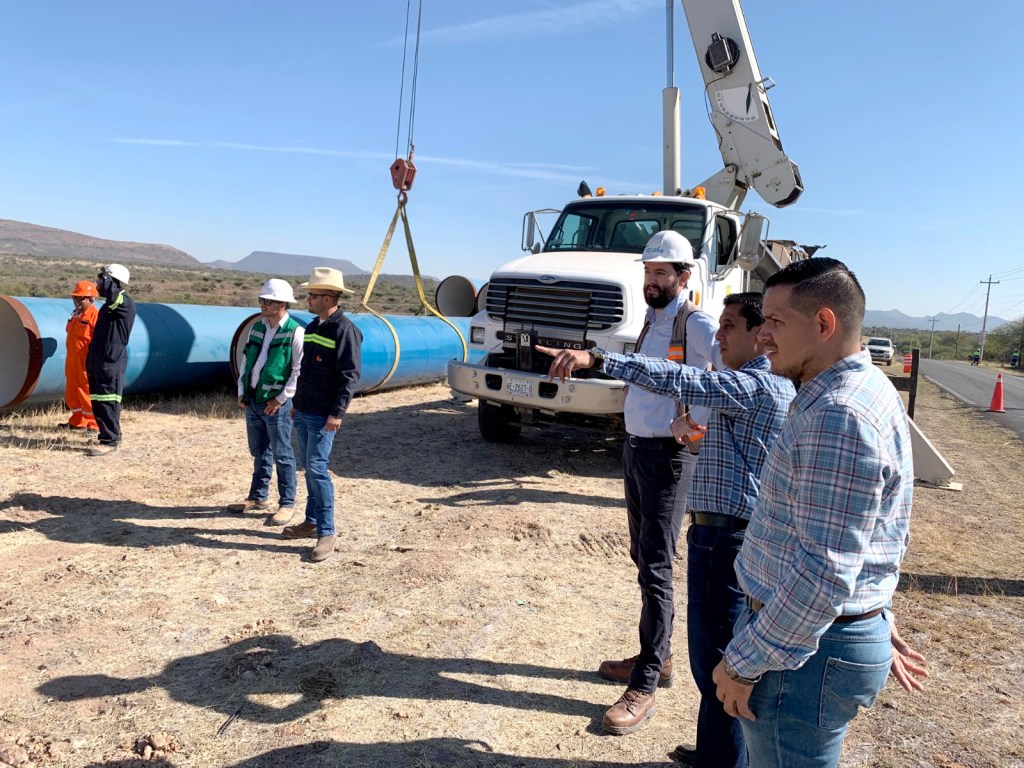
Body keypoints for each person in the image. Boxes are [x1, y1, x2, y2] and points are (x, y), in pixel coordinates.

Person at [540, 292, 795, 767]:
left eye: (729, 326)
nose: (718, 336)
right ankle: (718, 752)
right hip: (728, 532)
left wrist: (598, 358)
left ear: (760, 336)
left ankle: (722, 760)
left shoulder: (755, 385)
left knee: (716, 659)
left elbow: (678, 377)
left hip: (726, 538)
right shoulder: (763, 385)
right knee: (718, 657)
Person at [711, 257, 914, 768]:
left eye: (775, 321)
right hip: (819, 638)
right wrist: (871, 613)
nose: (762, 336)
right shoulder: (862, 389)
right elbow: (873, 531)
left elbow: (823, 573)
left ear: (824, 324)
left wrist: (741, 663)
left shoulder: (838, 415)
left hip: (801, 656)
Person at [539, 230, 718, 735]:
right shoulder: (651, 321)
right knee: (643, 558)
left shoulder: (695, 322)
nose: (652, 280)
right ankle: (658, 658)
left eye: (662, 272)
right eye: (648, 271)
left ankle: (645, 682)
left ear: (684, 276)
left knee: (657, 569)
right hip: (637, 449)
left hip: (667, 458)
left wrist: (696, 421)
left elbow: (728, 376)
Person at [282, 268, 362, 563]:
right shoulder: (314, 326)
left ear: (327, 298)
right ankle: (311, 522)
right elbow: (306, 370)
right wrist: (297, 402)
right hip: (305, 410)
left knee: (317, 469)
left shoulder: (345, 330)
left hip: (323, 415)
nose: (308, 300)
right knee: (309, 468)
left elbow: (349, 376)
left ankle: (327, 532)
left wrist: (337, 413)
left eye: (312, 295)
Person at [229, 279, 304, 526]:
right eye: (261, 300)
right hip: (253, 399)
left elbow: (298, 371)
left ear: (282, 304)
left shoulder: (295, 332)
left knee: (282, 454)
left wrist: (280, 399)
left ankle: (287, 503)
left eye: (268, 301)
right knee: (259, 451)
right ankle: (258, 497)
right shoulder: (257, 328)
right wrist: (242, 390)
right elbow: (246, 361)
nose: (262, 304)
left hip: (275, 404)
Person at [85, 263, 136, 457]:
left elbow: (114, 297)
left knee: (108, 400)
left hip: (111, 361)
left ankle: (110, 441)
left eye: (101, 279)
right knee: (98, 400)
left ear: (111, 280)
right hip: (99, 359)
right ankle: (109, 434)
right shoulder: (108, 305)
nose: (97, 283)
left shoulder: (123, 301)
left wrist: (107, 278)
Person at [63, 279, 100, 432]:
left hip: (85, 362)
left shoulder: (95, 316)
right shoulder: (76, 314)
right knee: (72, 391)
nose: (76, 301)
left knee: (87, 391)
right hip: (72, 360)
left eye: (81, 298)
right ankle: (78, 421)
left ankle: (94, 424)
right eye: (75, 297)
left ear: (91, 299)